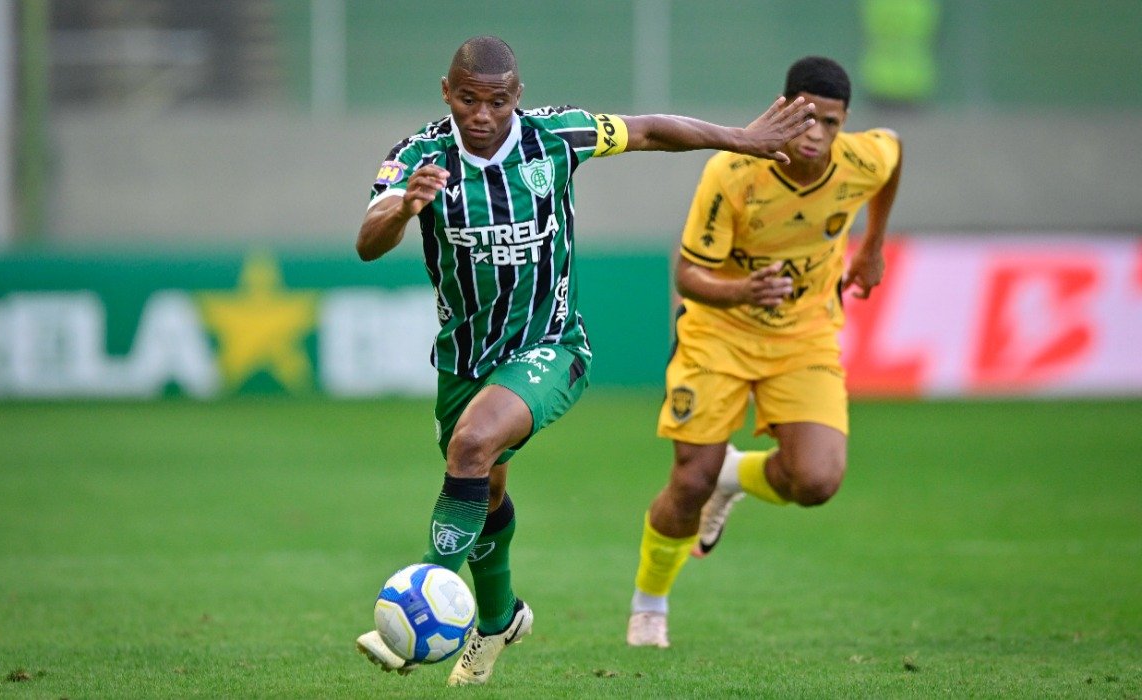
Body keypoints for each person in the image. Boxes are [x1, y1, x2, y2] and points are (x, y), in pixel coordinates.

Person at [353, 35, 815, 687]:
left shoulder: (557, 136)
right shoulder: (418, 156)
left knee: (472, 445)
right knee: (482, 490)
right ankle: (498, 620)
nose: (481, 114)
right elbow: (368, 240)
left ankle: (424, 595)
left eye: (496, 100)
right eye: (467, 99)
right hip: (464, 360)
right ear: (446, 92)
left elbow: (651, 130)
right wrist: (404, 205)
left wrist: (740, 138)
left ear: (518, 96)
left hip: (551, 348)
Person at [627, 56, 903, 648]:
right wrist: (743, 290)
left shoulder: (860, 159)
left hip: (802, 332)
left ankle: (735, 476)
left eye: (831, 122)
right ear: (783, 109)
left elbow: (895, 153)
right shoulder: (734, 172)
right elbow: (689, 273)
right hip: (716, 333)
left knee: (817, 480)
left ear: (844, 121)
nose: (816, 134)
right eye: (806, 118)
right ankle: (650, 602)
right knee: (689, 479)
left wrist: (872, 247)